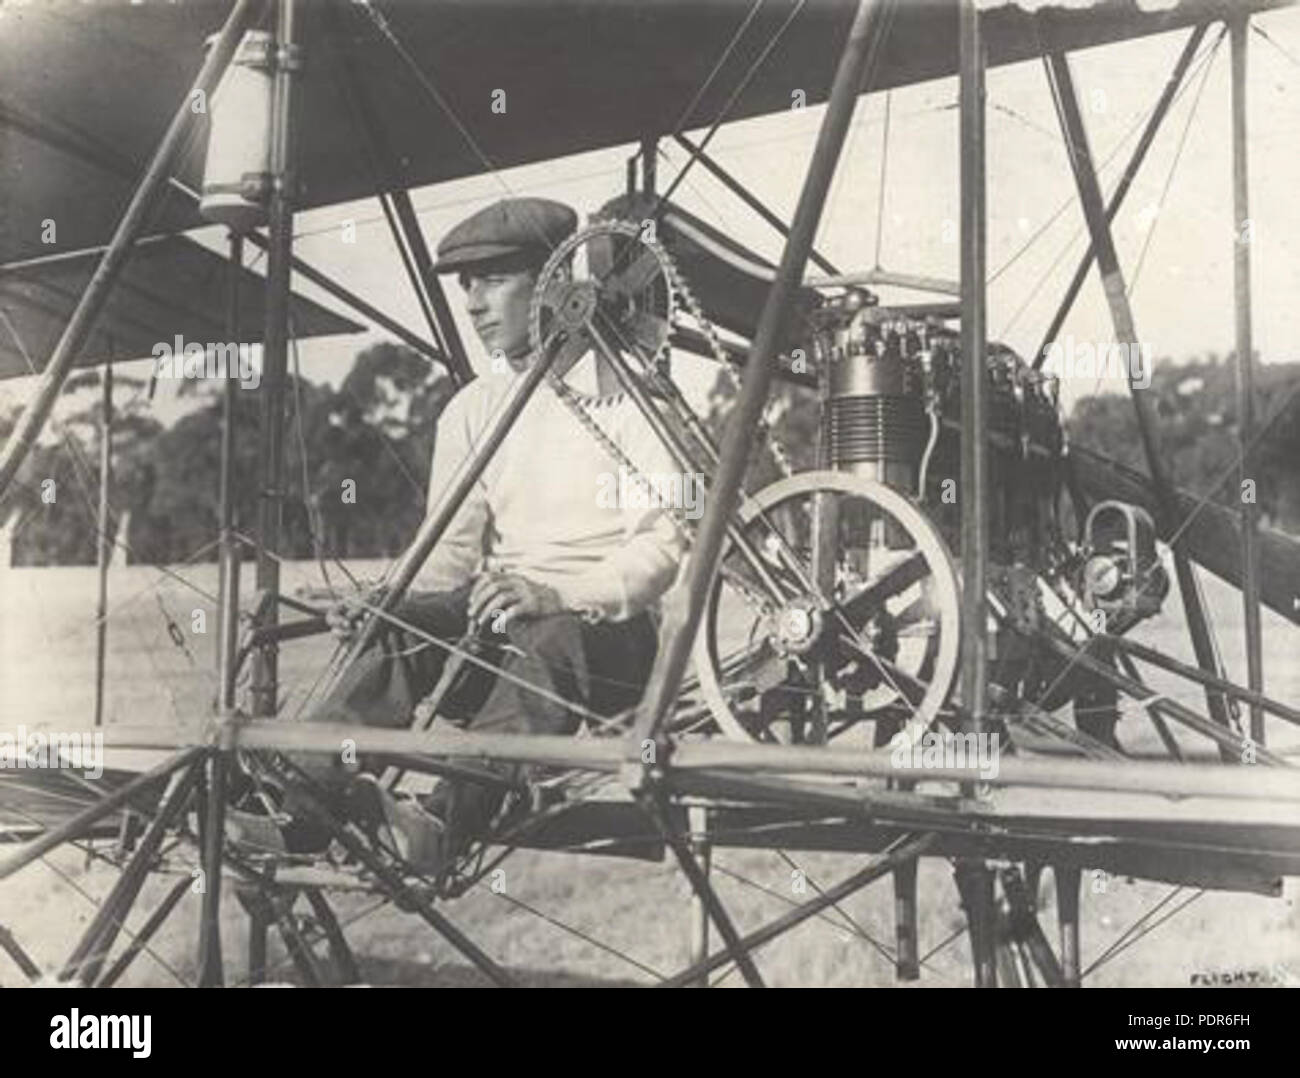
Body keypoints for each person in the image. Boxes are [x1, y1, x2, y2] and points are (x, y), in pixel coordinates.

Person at [290, 197, 684, 873]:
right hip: (499, 633)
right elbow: (449, 550)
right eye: (466, 284)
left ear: (560, 283)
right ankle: (300, 796)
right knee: (394, 626)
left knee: (548, 634)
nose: (474, 302)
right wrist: (389, 599)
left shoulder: (632, 399)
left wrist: (557, 594)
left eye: (494, 279)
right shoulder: (475, 409)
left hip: (604, 644)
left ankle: (444, 825)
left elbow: (661, 547)